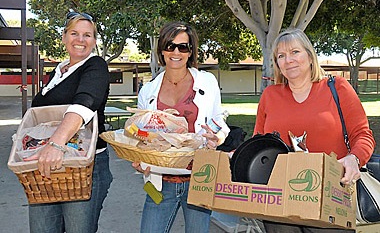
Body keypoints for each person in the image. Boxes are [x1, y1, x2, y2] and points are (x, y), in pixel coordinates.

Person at [254, 28, 375, 233]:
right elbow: (258, 144)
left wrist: (354, 159)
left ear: (310, 56)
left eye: (295, 52)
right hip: (280, 201)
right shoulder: (270, 95)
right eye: (281, 56)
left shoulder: (337, 87)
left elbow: (363, 135)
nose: (288, 60)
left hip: (332, 195)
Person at [132, 21, 230, 233]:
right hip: (160, 180)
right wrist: (140, 158)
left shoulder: (207, 82)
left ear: (190, 51)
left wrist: (218, 137)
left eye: (183, 47)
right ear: (162, 50)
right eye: (170, 46)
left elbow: (219, 121)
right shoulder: (148, 91)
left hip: (199, 178)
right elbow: (142, 135)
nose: (176, 52)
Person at [27, 12, 113, 233]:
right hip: (45, 166)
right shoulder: (57, 72)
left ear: (94, 41)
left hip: (83, 166)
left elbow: (84, 103)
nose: (80, 40)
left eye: (87, 35)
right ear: (64, 37)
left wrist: (55, 144)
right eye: (74, 33)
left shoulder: (96, 65)